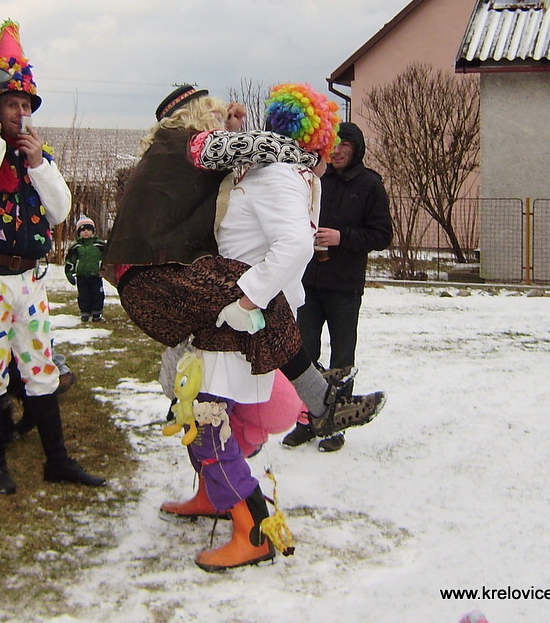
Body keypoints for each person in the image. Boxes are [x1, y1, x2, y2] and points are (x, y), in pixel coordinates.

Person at [105, 85, 384, 443]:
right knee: (256, 294)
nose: (222, 119)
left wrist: (235, 131)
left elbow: (234, 156)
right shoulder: (191, 142)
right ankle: (320, 400)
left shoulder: (168, 152)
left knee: (230, 318)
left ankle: (307, 391)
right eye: (216, 112)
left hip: (145, 276)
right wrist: (308, 156)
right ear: (199, 115)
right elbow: (262, 146)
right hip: (155, 274)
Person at [153, 83, 340, 570]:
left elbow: (294, 245)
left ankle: (252, 532)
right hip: (221, 311)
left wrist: (247, 299)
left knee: (208, 420)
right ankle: (212, 495)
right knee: (196, 410)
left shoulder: (277, 175)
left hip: (238, 321)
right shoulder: (267, 167)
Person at [0, 20, 104, 494]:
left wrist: (38, 165)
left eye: (26, 105)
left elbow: (61, 211)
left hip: (28, 280)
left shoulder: (37, 156)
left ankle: (58, 461)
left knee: (40, 368)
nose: (21, 113)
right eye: (12, 104)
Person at [282, 121, 392, 452]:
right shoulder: (316, 179)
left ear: (356, 149)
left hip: (345, 287)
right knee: (305, 354)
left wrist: (342, 238)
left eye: (345, 145)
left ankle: (336, 425)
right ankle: (307, 420)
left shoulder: (370, 184)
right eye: (333, 145)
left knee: (341, 358)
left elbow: (382, 236)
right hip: (309, 284)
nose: (338, 151)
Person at [65, 215, 107, 322]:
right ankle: (85, 312)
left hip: (96, 275)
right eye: (83, 230)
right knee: (84, 295)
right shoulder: (76, 247)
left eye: (88, 230)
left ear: (93, 231)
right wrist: (70, 274)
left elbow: (108, 257)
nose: (86, 232)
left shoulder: (100, 245)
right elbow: (70, 261)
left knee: (97, 294)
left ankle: (97, 313)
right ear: (79, 233)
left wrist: (104, 268)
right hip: (81, 276)